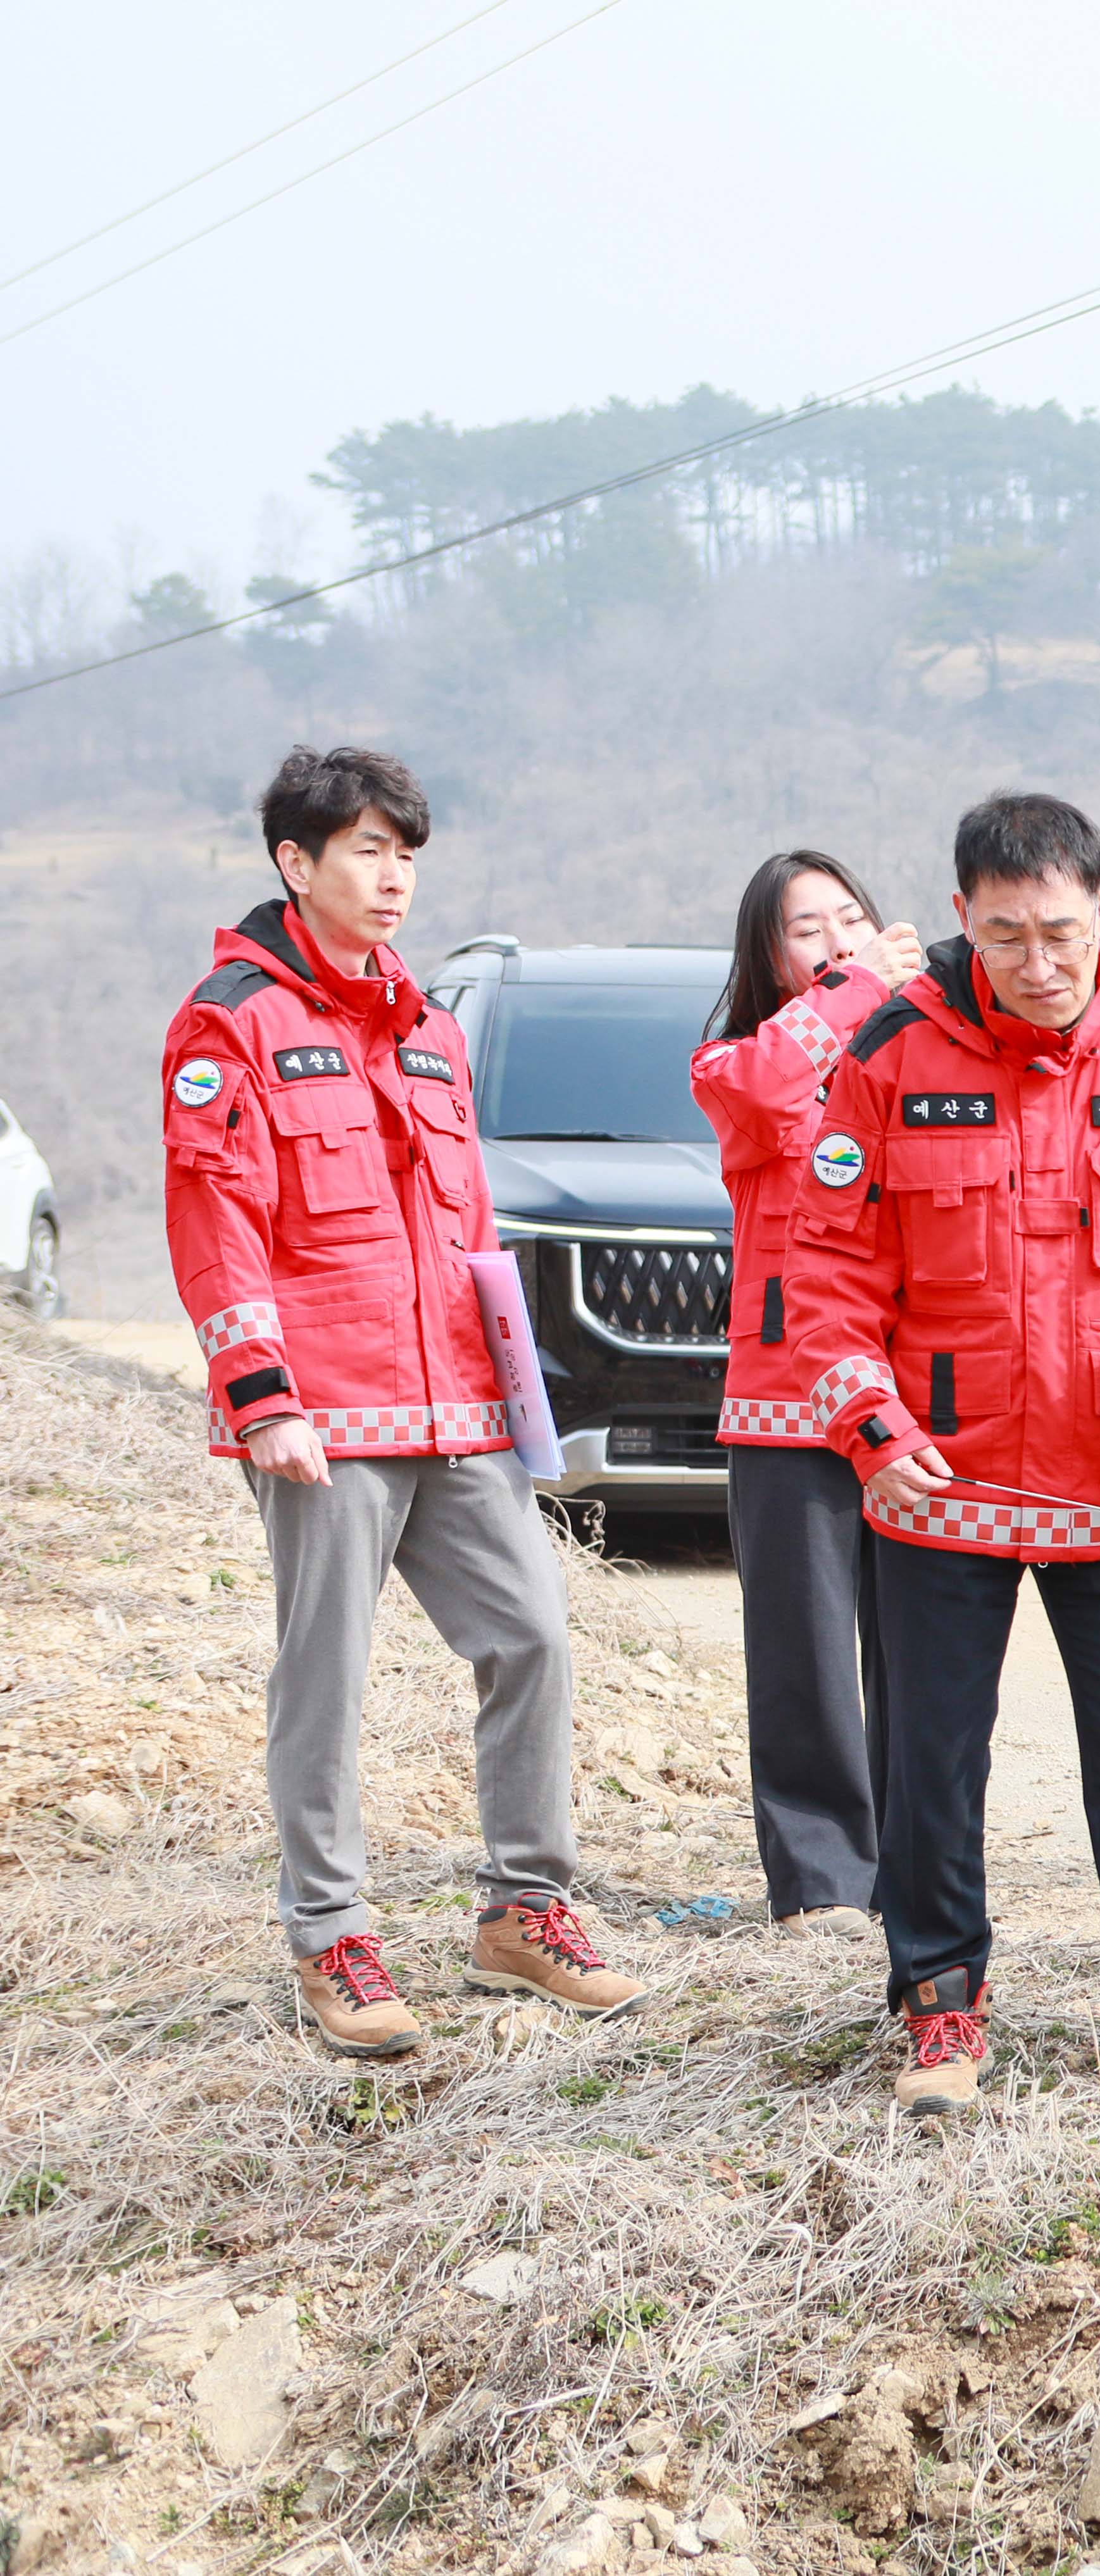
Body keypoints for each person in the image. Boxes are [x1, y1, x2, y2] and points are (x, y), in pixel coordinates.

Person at [784, 791, 1100, 2122]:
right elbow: (822, 1271)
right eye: (1006, 934)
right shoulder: (887, 1057)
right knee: (930, 1758)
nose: (1039, 962)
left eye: (1061, 931)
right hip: (936, 1486)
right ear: (961, 919)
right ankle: (938, 2007)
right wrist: (869, 1431)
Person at [163, 744, 643, 2056]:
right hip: (322, 1409)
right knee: (327, 1673)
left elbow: (470, 1227)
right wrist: (261, 1397)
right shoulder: (232, 1022)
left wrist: (510, 1390)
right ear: (295, 863)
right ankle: (332, 1938)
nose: (392, 878)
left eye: (406, 856)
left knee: (532, 1635)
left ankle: (522, 1912)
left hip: (456, 1408)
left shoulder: (429, 1029)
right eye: (367, 852)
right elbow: (217, 1222)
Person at [691, 849, 927, 1930]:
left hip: (909, 1391)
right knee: (805, 1654)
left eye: (851, 918)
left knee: (920, 1645)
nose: (835, 939)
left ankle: (919, 1866)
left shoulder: (922, 1050)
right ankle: (825, 1881)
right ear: (770, 956)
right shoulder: (738, 1064)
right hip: (787, 1397)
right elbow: (764, 1084)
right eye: (806, 929)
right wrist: (861, 984)